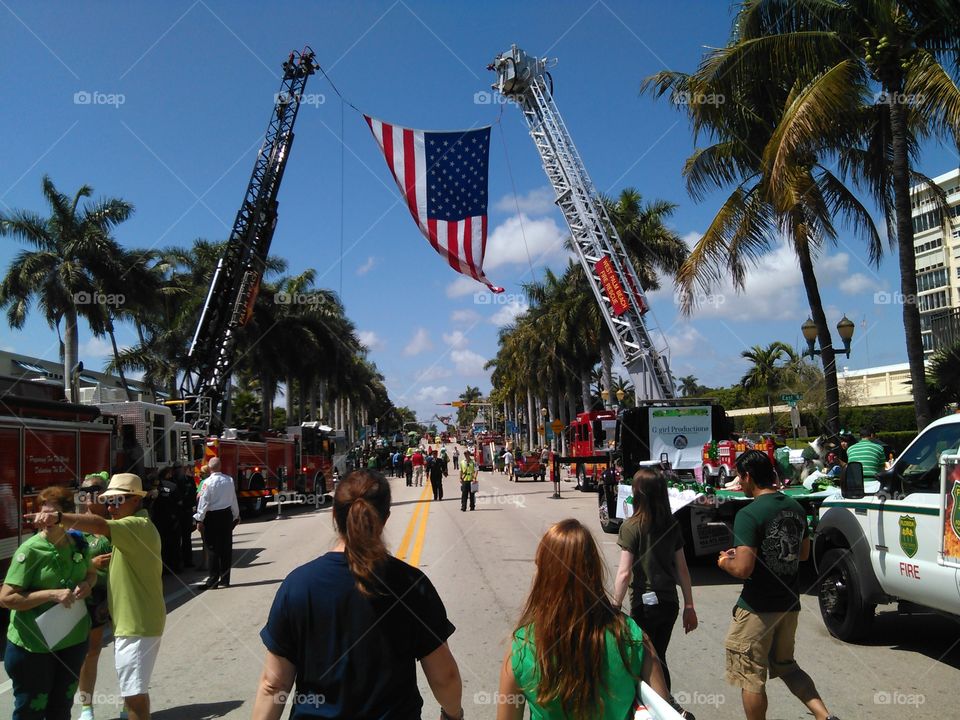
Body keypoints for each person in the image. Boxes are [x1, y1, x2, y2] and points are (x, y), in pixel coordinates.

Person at [251, 470, 463, 719]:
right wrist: (453, 715)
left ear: (334, 515)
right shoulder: (412, 585)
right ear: (385, 518)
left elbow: (274, 685)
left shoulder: (298, 586)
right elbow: (444, 677)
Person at [496, 519, 668, 719]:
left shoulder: (522, 646)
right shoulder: (633, 637)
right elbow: (662, 711)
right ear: (594, 570)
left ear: (544, 575)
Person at [27, 474, 165, 720]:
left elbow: (100, 526)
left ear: (135, 500)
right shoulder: (135, 525)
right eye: (108, 501)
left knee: (133, 698)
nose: (110, 507)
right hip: (134, 622)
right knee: (136, 691)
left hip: (137, 626)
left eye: (117, 500)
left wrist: (58, 518)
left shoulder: (135, 525)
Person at [717, 450, 837, 720]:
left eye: (739, 477)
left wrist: (724, 562)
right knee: (787, 666)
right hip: (788, 605)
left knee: (751, 677)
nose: (739, 483)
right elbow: (803, 553)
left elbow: (743, 568)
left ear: (748, 476)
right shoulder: (795, 508)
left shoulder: (748, 514)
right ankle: (825, 716)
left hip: (757, 608)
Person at [1, 486, 97, 720]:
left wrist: (87, 584)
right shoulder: (31, 550)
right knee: (31, 709)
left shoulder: (78, 543)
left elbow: (91, 573)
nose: (45, 519)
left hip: (71, 640)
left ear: (64, 516)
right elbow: (6, 598)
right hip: (34, 646)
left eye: (52, 515)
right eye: (42, 514)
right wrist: (51, 595)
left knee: (61, 707)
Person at [613, 468, 698, 718]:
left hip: (644, 605)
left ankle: (668, 709)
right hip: (669, 604)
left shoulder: (631, 527)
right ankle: (666, 707)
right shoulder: (671, 525)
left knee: (648, 660)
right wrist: (689, 607)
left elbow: (624, 573)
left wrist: (614, 608)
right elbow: (682, 570)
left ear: (637, 494)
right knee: (657, 655)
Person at [77, 473, 114, 720]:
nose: (89, 496)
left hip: (120, 595)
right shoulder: (77, 527)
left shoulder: (117, 523)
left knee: (126, 652)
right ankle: (87, 708)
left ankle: (127, 703)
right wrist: (92, 562)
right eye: (85, 491)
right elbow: (67, 565)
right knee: (91, 653)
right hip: (93, 599)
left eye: (95, 491)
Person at [193, 456, 240, 589]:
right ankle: (225, 580)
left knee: (212, 548)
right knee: (226, 548)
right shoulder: (229, 480)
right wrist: (236, 515)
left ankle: (213, 580)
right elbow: (233, 499)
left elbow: (204, 502)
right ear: (220, 466)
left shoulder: (207, 483)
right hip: (226, 516)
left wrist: (199, 518)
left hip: (212, 517)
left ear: (209, 468)